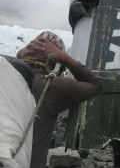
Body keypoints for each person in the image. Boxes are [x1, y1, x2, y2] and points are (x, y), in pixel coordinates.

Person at [14, 31, 103, 168]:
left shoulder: (5, 74)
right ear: (57, 63)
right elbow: (96, 84)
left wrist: (21, 54)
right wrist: (65, 58)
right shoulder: (52, 87)